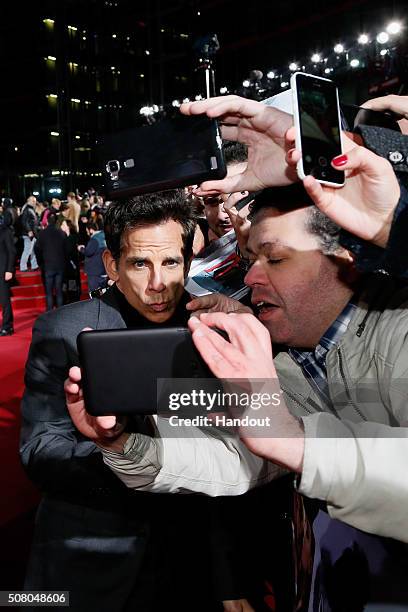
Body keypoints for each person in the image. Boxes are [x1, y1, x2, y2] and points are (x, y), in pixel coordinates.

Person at [21, 190, 279, 612]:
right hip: (92, 561)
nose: (158, 284)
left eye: (171, 263)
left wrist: (230, 580)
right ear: (112, 266)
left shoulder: (213, 333)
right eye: (140, 263)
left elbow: (234, 461)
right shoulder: (65, 331)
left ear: (188, 261)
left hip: (192, 563)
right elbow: (40, 451)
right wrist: (116, 447)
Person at [34, 213, 67, 311]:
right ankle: (60, 313)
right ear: (56, 221)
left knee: (49, 292)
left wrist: (40, 262)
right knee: (59, 291)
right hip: (60, 265)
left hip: (48, 265)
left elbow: (37, 249)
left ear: (47, 221)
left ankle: (49, 313)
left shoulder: (42, 233)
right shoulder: (61, 233)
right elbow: (66, 250)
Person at [0, 217, 16, 336]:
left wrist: (9, 270)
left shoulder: (5, 231)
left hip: (3, 272)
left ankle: (7, 326)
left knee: (4, 300)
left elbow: (12, 251)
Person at [82, 221, 108, 292]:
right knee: (103, 292)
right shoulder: (103, 236)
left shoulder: (94, 239)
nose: (87, 233)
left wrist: (81, 249)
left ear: (91, 230)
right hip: (104, 270)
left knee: (94, 293)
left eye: (87, 231)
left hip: (95, 271)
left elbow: (88, 252)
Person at [19, 195, 39, 272]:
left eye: (35, 201)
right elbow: (24, 221)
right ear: (29, 201)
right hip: (28, 234)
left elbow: (32, 221)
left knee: (32, 250)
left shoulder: (30, 209)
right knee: (27, 250)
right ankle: (23, 267)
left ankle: (34, 265)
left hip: (32, 233)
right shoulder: (27, 209)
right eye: (33, 201)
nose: (35, 202)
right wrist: (29, 231)